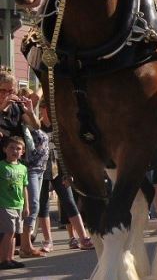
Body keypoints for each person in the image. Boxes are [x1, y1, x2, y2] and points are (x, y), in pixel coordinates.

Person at [35, 99, 94, 252]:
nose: (49, 110)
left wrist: (70, 173)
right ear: (41, 109)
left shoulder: (60, 126)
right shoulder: (36, 125)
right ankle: (48, 241)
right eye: (46, 107)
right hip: (41, 169)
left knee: (69, 202)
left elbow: (69, 152)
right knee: (43, 205)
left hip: (59, 170)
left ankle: (83, 237)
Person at [19, 90, 49, 258]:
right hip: (30, 166)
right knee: (33, 205)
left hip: (40, 168)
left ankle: (26, 245)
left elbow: (37, 125)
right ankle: (25, 246)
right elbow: (37, 97)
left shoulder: (32, 115)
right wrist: (46, 71)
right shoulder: (22, 115)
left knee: (34, 206)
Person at [0, 136, 28, 270]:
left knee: (15, 232)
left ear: (22, 152)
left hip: (19, 205)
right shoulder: (1, 166)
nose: (15, 150)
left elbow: (24, 187)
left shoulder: (23, 168)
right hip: (5, 204)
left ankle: (10, 258)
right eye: (11, 147)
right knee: (8, 231)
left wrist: (26, 206)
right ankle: (2, 260)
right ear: (5, 149)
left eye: (18, 148)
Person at [0, 70, 40, 160]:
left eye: (10, 91)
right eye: (2, 90)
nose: (6, 94)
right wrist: (2, 107)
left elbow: (36, 126)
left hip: (14, 162)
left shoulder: (17, 106)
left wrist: (31, 114)